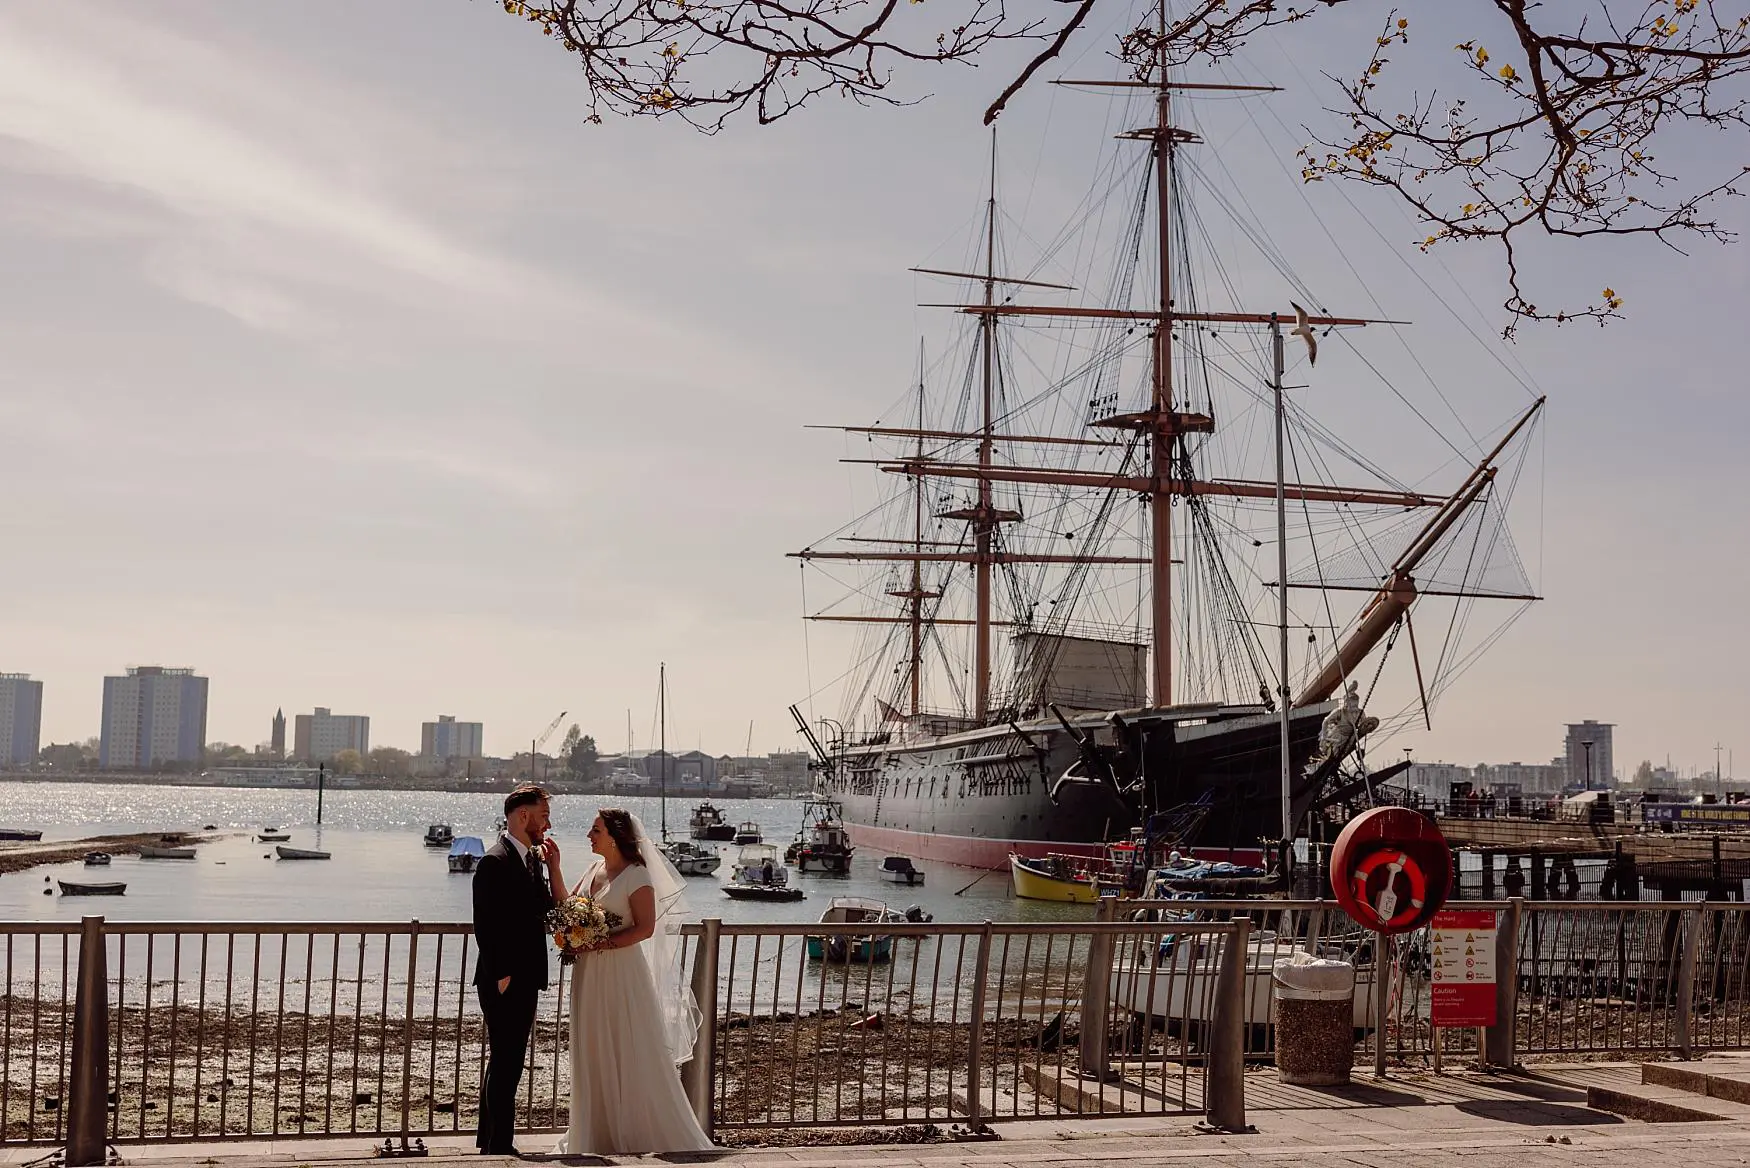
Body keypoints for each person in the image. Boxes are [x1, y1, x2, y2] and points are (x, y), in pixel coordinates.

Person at [546, 808, 713, 1155]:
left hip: (622, 973)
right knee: (593, 1045)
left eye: (595, 830)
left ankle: (634, 1129)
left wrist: (600, 942)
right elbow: (567, 906)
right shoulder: (594, 869)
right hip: (589, 972)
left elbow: (645, 927)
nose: (589, 836)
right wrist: (554, 868)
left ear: (614, 835)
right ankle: (594, 1131)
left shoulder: (637, 875)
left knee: (626, 1046)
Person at [472, 785, 556, 1156]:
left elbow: (545, 910)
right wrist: (503, 974)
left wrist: (553, 867)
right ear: (523, 816)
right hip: (503, 979)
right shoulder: (494, 860)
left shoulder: (531, 860)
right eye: (543, 815)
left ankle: (490, 1140)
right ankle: (500, 1145)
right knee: (507, 1062)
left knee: (507, 1059)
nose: (547, 823)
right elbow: (484, 925)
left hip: (525, 976)